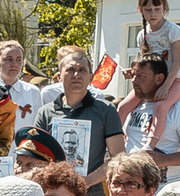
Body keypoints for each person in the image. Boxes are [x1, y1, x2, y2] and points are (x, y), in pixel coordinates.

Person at [29, 47, 125, 179]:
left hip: (92, 195)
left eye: (82, 70)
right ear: (59, 76)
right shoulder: (45, 113)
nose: (76, 75)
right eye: (70, 70)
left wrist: (87, 182)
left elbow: (118, 157)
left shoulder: (106, 110)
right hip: (53, 194)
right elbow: (36, 157)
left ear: (90, 77)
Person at [123, 54, 180, 177]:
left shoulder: (179, 110)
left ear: (159, 79)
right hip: (131, 188)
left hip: (163, 191)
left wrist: (164, 160)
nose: (134, 80)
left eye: (141, 76)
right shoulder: (133, 107)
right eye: (133, 75)